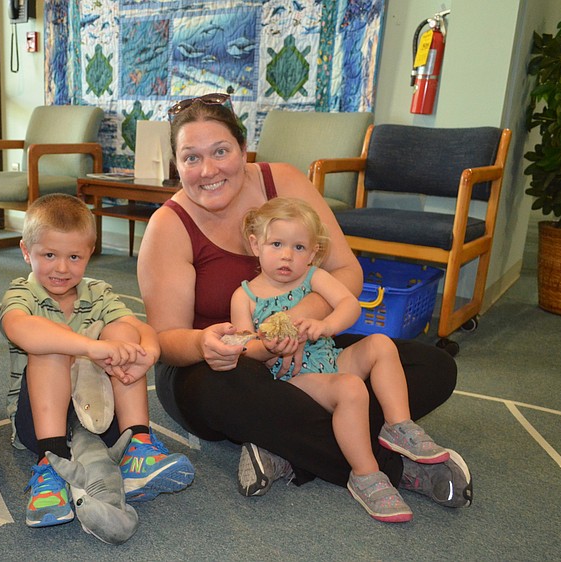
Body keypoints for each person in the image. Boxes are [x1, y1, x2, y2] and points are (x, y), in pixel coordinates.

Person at [137, 92, 472, 511]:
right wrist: (206, 345)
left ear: (243, 149)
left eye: (220, 151)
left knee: (431, 366)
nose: (207, 170)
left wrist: (294, 323)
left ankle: (282, 448)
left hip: (310, 351)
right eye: (191, 157)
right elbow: (165, 341)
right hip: (220, 369)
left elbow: (349, 273)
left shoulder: (285, 183)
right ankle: (392, 469)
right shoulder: (169, 225)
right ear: (176, 164)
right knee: (231, 387)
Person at [231, 197, 453, 522]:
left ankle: (399, 427)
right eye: (276, 244)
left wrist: (325, 325)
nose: (286, 255)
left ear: (313, 252)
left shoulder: (313, 277)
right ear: (256, 244)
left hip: (329, 357)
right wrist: (269, 344)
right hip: (292, 379)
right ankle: (365, 473)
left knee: (379, 343)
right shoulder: (245, 296)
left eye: (298, 247)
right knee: (350, 389)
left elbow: (350, 305)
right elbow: (244, 346)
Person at [0, 193, 194, 528]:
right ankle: (52, 467)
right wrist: (89, 347)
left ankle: (138, 448)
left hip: (100, 417)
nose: (62, 268)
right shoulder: (21, 293)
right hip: (42, 424)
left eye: (74, 256)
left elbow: (140, 327)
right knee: (51, 343)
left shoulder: (98, 292)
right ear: (26, 252)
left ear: (89, 254)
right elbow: (22, 329)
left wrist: (149, 352)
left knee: (122, 330)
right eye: (49, 255)